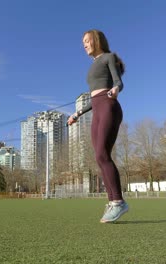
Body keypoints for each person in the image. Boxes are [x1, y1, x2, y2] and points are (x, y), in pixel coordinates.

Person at [67, 29, 128, 223]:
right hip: (97, 108)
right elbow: (93, 98)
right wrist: (77, 113)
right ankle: (112, 202)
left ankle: (118, 202)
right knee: (100, 157)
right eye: (82, 42)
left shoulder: (108, 57)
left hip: (109, 106)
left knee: (102, 154)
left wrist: (115, 90)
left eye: (87, 40)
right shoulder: (93, 66)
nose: (84, 44)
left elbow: (118, 82)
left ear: (97, 40)